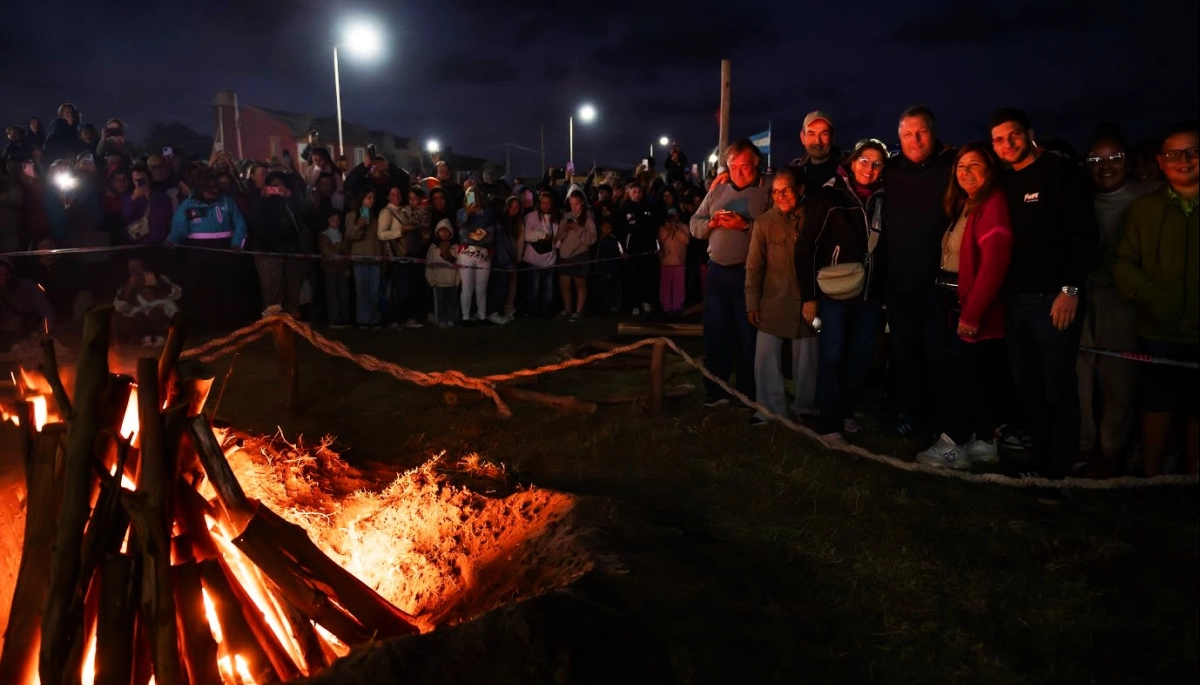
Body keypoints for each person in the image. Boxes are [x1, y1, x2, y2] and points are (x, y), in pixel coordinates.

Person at [990, 108, 1097, 495]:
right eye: (999, 139)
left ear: (1029, 134)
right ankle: (1042, 463)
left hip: (1052, 301)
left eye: (1013, 135)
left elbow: (1083, 236)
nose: (1007, 144)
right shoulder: (1003, 182)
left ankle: (1059, 473)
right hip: (1015, 301)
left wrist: (1069, 290)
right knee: (1029, 387)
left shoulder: (1060, 173)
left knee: (1057, 387)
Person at [916, 143, 1013, 468]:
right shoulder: (968, 205)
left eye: (974, 165)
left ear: (990, 169)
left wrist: (971, 315)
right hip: (956, 303)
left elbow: (993, 265)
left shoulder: (993, 204)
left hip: (973, 310)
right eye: (961, 166)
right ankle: (982, 441)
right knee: (975, 376)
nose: (966, 172)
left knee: (961, 378)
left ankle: (952, 444)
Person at [1112, 122, 1199, 476]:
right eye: (1174, 154)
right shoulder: (1144, 210)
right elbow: (1122, 262)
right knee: (1155, 403)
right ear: (1161, 162)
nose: (1185, 160)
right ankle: (1150, 478)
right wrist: (1153, 298)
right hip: (1157, 329)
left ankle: (1193, 476)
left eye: (1193, 151)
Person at [797, 140, 888, 444]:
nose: (869, 168)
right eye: (864, 160)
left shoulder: (884, 198)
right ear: (852, 161)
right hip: (835, 293)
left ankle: (845, 412)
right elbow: (806, 246)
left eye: (876, 163)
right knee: (833, 355)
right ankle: (828, 423)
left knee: (860, 357)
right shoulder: (828, 195)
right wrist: (809, 295)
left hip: (870, 294)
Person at [1075, 125, 1153, 476]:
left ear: (1128, 161)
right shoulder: (1080, 198)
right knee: (1079, 373)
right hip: (1080, 293)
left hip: (1122, 299)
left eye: (1114, 158)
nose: (1105, 166)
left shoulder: (1146, 198)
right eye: (1096, 159)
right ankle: (1083, 443)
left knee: (1118, 376)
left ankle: (1111, 450)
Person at [689, 139, 772, 407]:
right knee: (715, 332)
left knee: (749, 335)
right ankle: (717, 390)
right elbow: (694, 223)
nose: (738, 171)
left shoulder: (768, 189)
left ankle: (746, 393)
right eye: (733, 166)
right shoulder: (718, 190)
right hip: (717, 272)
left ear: (757, 163)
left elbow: (778, 228)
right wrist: (711, 223)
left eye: (744, 166)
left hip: (748, 274)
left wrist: (746, 226)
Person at [745, 167, 815, 427]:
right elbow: (754, 266)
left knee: (807, 358)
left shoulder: (813, 219)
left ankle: (805, 406)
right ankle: (768, 409)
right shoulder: (764, 223)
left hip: (807, 301)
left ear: (800, 189)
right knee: (766, 359)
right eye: (775, 191)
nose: (781, 196)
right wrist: (752, 301)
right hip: (773, 299)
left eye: (786, 190)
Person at [112, 256, 182, 346]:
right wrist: (129, 288)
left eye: (138, 268)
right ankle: (146, 340)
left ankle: (162, 339)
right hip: (143, 325)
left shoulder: (158, 278)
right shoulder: (129, 284)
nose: (136, 272)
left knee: (156, 312)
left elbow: (177, 294)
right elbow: (118, 307)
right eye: (132, 269)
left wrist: (158, 284)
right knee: (138, 316)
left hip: (165, 319)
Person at [455, 184, 496, 325]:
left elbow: (490, 233)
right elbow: (461, 231)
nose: (472, 198)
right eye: (469, 195)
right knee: (467, 287)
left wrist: (471, 233)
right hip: (467, 252)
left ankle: (482, 316)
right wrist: (468, 213)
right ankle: (465, 317)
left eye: (474, 195)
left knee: (482, 287)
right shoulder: (461, 212)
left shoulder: (488, 212)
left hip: (484, 253)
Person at [556, 186, 597, 321]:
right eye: (572, 204)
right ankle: (568, 309)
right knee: (564, 285)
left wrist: (579, 229)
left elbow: (592, 239)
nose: (574, 207)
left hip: (580, 254)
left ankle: (578, 311)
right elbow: (559, 237)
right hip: (565, 254)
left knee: (580, 284)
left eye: (577, 204)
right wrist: (565, 229)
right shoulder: (566, 217)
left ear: (582, 203)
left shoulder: (588, 219)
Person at [345, 190, 383, 328]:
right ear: (361, 199)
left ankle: (374, 318)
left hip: (375, 257)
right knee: (362, 290)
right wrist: (359, 226)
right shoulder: (351, 215)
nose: (371, 200)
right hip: (360, 257)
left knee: (375, 290)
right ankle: (363, 319)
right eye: (368, 198)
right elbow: (349, 236)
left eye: (373, 198)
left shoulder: (375, 216)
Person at [0, 256, 54, 352]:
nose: (3, 278)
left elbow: (47, 312)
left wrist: (42, 334)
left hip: (32, 335)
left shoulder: (28, 286)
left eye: (6, 274)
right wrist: (4, 326)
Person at [522, 191, 559, 317]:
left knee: (548, 290)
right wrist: (542, 235)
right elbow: (526, 235)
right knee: (534, 289)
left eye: (548, 203)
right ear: (539, 203)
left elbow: (556, 240)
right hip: (533, 259)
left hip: (549, 260)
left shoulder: (554, 220)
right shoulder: (531, 217)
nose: (546, 206)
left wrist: (556, 241)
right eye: (543, 203)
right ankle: (533, 314)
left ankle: (546, 314)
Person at [789, 111, 842, 191]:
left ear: (832, 136)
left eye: (823, 134)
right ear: (802, 137)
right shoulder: (793, 170)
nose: (817, 141)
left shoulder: (849, 167)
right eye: (811, 134)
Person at [318, 210, 352, 328]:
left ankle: (344, 318)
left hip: (342, 269)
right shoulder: (324, 235)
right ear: (328, 221)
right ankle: (334, 319)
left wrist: (338, 248)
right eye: (333, 219)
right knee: (333, 294)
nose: (336, 222)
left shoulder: (343, 234)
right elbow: (328, 252)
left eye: (338, 219)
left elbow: (347, 249)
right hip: (331, 269)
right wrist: (339, 248)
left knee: (343, 294)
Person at [425, 220, 461, 327]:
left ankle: (451, 319)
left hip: (451, 281)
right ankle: (440, 319)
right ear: (437, 232)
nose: (444, 233)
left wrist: (458, 280)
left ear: (450, 232)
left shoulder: (455, 247)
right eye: (441, 231)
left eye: (446, 231)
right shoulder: (433, 248)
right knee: (440, 303)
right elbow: (428, 265)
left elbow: (460, 265)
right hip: (438, 282)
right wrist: (431, 280)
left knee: (452, 302)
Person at [657, 209, 689, 314]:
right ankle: (666, 307)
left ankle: (677, 306)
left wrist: (676, 229)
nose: (673, 218)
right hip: (665, 262)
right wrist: (668, 229)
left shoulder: (684, 227)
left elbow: (686, 241)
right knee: (665, 285)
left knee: (679, 286)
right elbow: (661, 240)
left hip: (679, 262)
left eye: (674, 215)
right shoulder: (662, 228)